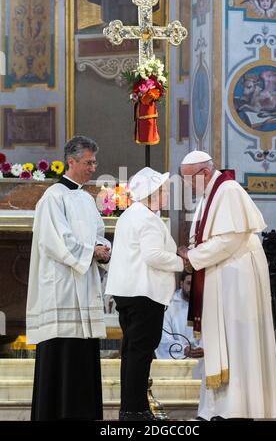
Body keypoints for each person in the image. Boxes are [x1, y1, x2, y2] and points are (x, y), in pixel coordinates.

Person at [177, 150, 276, 421]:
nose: (187, 184)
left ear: (204, 172)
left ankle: (237, 407)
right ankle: (214, 407)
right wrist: (192, 254)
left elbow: (230, 239)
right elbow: (199, 237)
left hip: (236, 278)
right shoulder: (208, 195)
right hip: (218, 274)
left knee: (236, 339)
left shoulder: (229, 191)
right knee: (218, 339)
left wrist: (194, 257)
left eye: (189, 179)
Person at [26, 135, 111, 421]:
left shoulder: (86, 199)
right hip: (61, 291)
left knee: (83, 357)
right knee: (62, 358)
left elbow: (99, 233)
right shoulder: (53, 197)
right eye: (88, 162)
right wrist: (92, 252)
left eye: (95, 162)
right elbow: (57, 242)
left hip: (83, 288)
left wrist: (104, 248)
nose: (93, 167)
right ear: (71, 162)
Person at [105, 167, 184, 421]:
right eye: (163, 190)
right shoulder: (147, 219)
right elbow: (152, 256)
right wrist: (183, 262)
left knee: (131, 353)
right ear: (152, 193)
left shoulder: (130, 214)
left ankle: (130, 408)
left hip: (128, 293)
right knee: (139, 354)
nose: (167, 194)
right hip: (144, 294)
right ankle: (136, 411)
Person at [155, 271, 203, 360]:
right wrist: (183, 348)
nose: (192, 288)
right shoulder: (169, 305)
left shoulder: (206, 304)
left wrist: (202, 347)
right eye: (189, 283)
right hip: (176, 357)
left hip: (201, 358)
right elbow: (164, 337)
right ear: (181, 283)